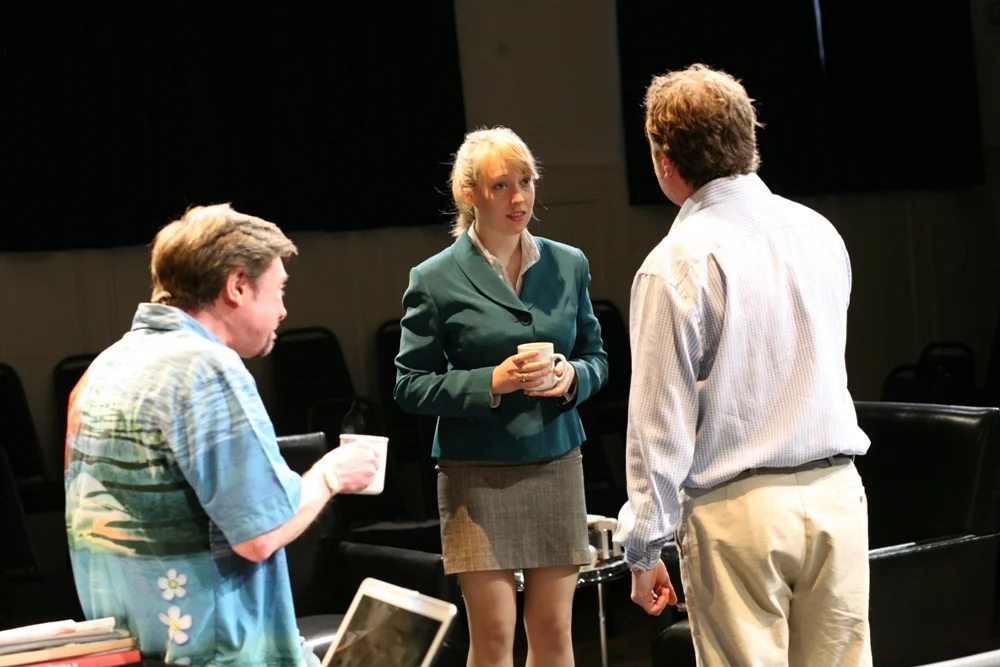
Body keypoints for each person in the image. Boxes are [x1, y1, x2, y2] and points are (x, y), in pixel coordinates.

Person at [613, 64, 872, 666]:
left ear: (664, 160)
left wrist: (643, 547)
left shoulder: (674, 263)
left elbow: (658, 426)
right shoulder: (820, 232)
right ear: (748, 140)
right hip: (836, 495)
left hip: (739, 513)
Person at [64, 204, 380, 667]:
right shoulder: (205, 368)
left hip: (131, 649)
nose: (283, 310)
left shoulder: (105, 367)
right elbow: (260, 533)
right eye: (278, 290)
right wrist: (331, 474)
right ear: (237, 286)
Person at [394, 126, 609, 667]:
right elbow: (409, 384)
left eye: (526, 182)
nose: (519, 198)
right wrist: (490, 381)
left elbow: (597, 358)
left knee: (554, 632)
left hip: (555, 460)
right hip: (475, 471)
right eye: (500, 186)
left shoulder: (569, 263)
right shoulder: (434, 278)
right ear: (468, 194)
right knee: (493, 637)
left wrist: (572, 376)